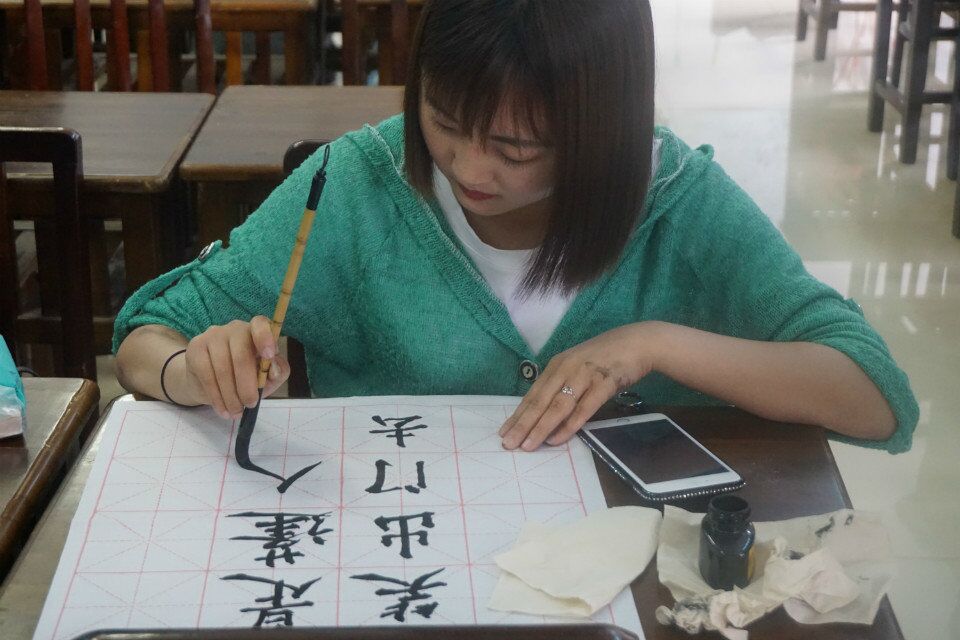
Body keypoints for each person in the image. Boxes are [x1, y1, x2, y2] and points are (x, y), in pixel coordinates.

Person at [113, 0, 917, 455]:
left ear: (603, 130)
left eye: (517, 149)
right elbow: (146, 334)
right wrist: (192, 370)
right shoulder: (359, 185)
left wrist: (654, 345)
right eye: (442, 119)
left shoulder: (677, 203)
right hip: (399, 563)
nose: (469, 169)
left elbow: (875, 397)